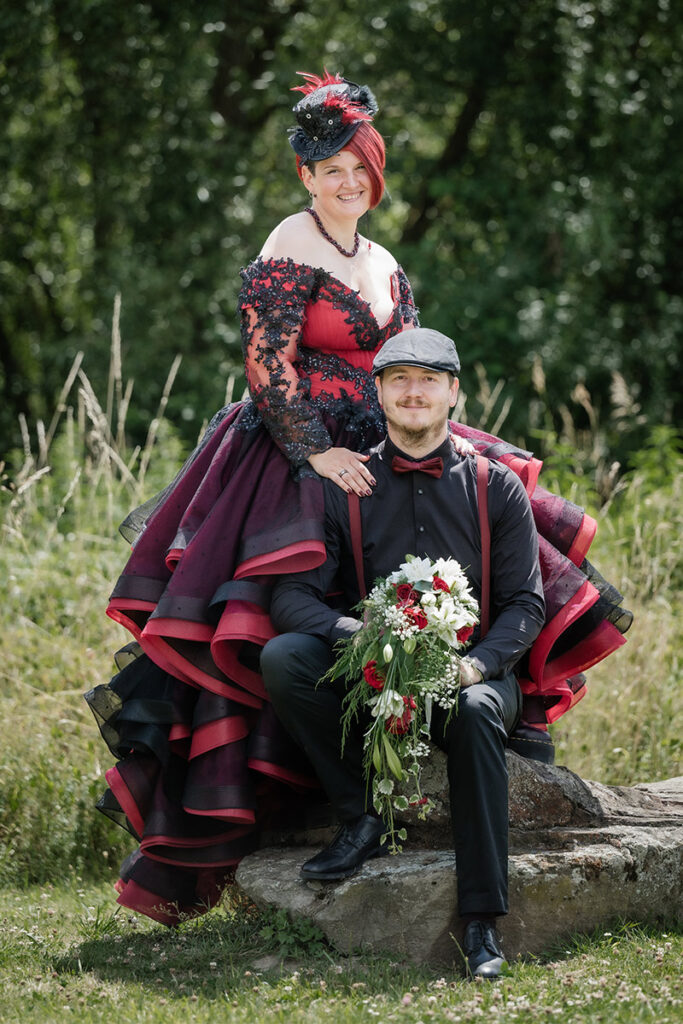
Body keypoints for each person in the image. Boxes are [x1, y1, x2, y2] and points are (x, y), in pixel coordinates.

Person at [85, 71, 631, 925]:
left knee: (495, 527)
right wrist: (318, 456)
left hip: (387, 431)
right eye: (331, 169)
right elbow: (267, 368)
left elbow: (411, 358)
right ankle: (337, 802)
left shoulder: (383, 261)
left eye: (361, 169)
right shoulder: (287, 241)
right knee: (283, 617)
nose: (349, 183)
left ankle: (491, 722)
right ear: (305, 175)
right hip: (297, 449)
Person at [261, 327, 546, 979]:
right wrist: (365, 641)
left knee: (475, 709)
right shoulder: (344, 483)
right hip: (377, 676)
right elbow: (292, 598)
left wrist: (472, 665)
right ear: (379, 394)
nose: (412, 392)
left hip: (469, 675)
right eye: (397, 380)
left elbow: (525, 606)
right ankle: (360, 818)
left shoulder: (494, 486)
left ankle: (480, 924)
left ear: (453, 393)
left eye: (427, 380)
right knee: (283, 657)